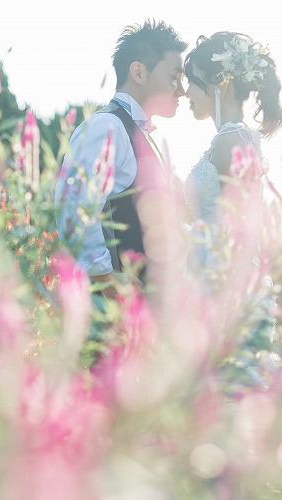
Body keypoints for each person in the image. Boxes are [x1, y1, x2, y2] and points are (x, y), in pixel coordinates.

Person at [55, 20, 187, 296]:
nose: (182, 90)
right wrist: (107, 282)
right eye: (174, 77)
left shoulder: (141, 133)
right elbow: (73, 206)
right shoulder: (108, 126)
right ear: (138, 72)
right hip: (111, 313)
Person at [183, 31, 282, 276]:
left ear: (221, 84)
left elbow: (241, 233)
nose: (186, 93)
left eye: (193, 83)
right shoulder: (231, 139)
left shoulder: (232, 141)